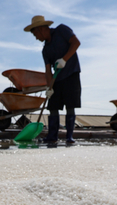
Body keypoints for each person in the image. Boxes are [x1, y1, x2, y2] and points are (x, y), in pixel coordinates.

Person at [24, 15, 81, 144]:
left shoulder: (62, 30)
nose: (37, 38)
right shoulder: (45, 50)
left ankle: (69, 137)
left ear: (41, 29)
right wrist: (49, 88)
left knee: (70, 106)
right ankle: (52, 137)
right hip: (57, 80)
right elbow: (48, 70)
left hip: (72, 74)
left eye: (36, 35)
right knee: (53, 106)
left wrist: (64, 59)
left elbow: (76, 43)